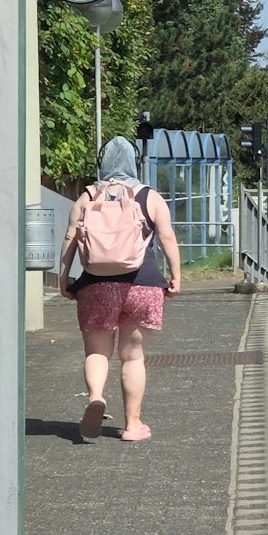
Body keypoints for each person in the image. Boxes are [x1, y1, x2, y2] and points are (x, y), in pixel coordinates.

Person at [60, 136, 180, 443]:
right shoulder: (149, 196)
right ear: (134, 163)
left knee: (97, 353)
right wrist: (176, 276)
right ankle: (132, 425)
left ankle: (96, 397)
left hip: (95, 285)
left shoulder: (87, 197)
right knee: (133, 357)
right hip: (143, 285)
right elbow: (166, 238)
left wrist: (64, 277)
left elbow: (70, 239)